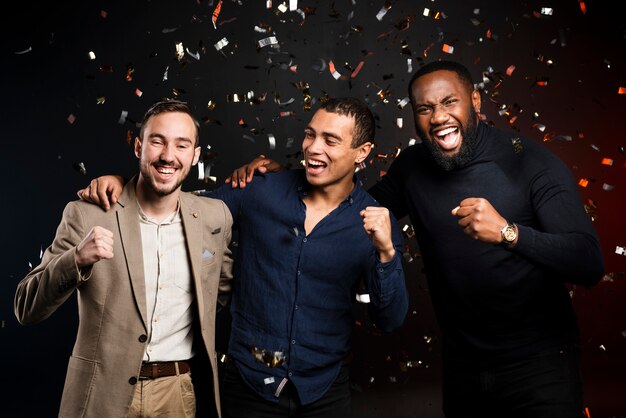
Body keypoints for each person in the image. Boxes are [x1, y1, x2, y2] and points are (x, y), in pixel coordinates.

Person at [223, 60, 606, 417]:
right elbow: (347, 206)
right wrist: (281, 181)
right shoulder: (413, 167)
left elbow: (588, 262)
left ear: (475, 101)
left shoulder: (531, 163)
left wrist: (509, 233)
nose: (439, 117)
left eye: (450, 102)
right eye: (425, 109)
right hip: (463, 365)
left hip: (540, 363)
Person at [75, 97, 409, 417]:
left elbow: (390, 320)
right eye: (310, 134)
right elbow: (179, 206)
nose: (313, 148)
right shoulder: (259, 189)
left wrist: (386, 253)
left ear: (362, 152)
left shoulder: (377, 222)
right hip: (248, 385)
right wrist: (122, 183)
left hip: (324, 391)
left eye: (330, 140)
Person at [14, 100, 234, 418]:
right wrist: (76, 260)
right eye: (157, 141)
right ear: (138, 146)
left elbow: (235, 291)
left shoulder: (215, 217)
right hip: (100, 393)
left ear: (195, 156)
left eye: (181, 145)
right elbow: (25, 307)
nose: (168, 156)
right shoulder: (87, 214)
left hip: (176, 395)